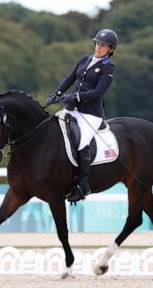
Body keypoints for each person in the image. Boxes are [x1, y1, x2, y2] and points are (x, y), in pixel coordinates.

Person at [46, 28, 118, 202]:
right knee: (53, 130)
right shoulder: (84, 60)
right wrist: (56, 94)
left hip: (91, 114)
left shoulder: (108, 68)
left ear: (111, 49)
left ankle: (82, 184)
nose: (99, 47)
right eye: (97, 43)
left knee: (82, 142)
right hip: (72, 109)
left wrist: (75, 96)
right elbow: (69, 79)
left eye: (103, 45)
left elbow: (98, 92)